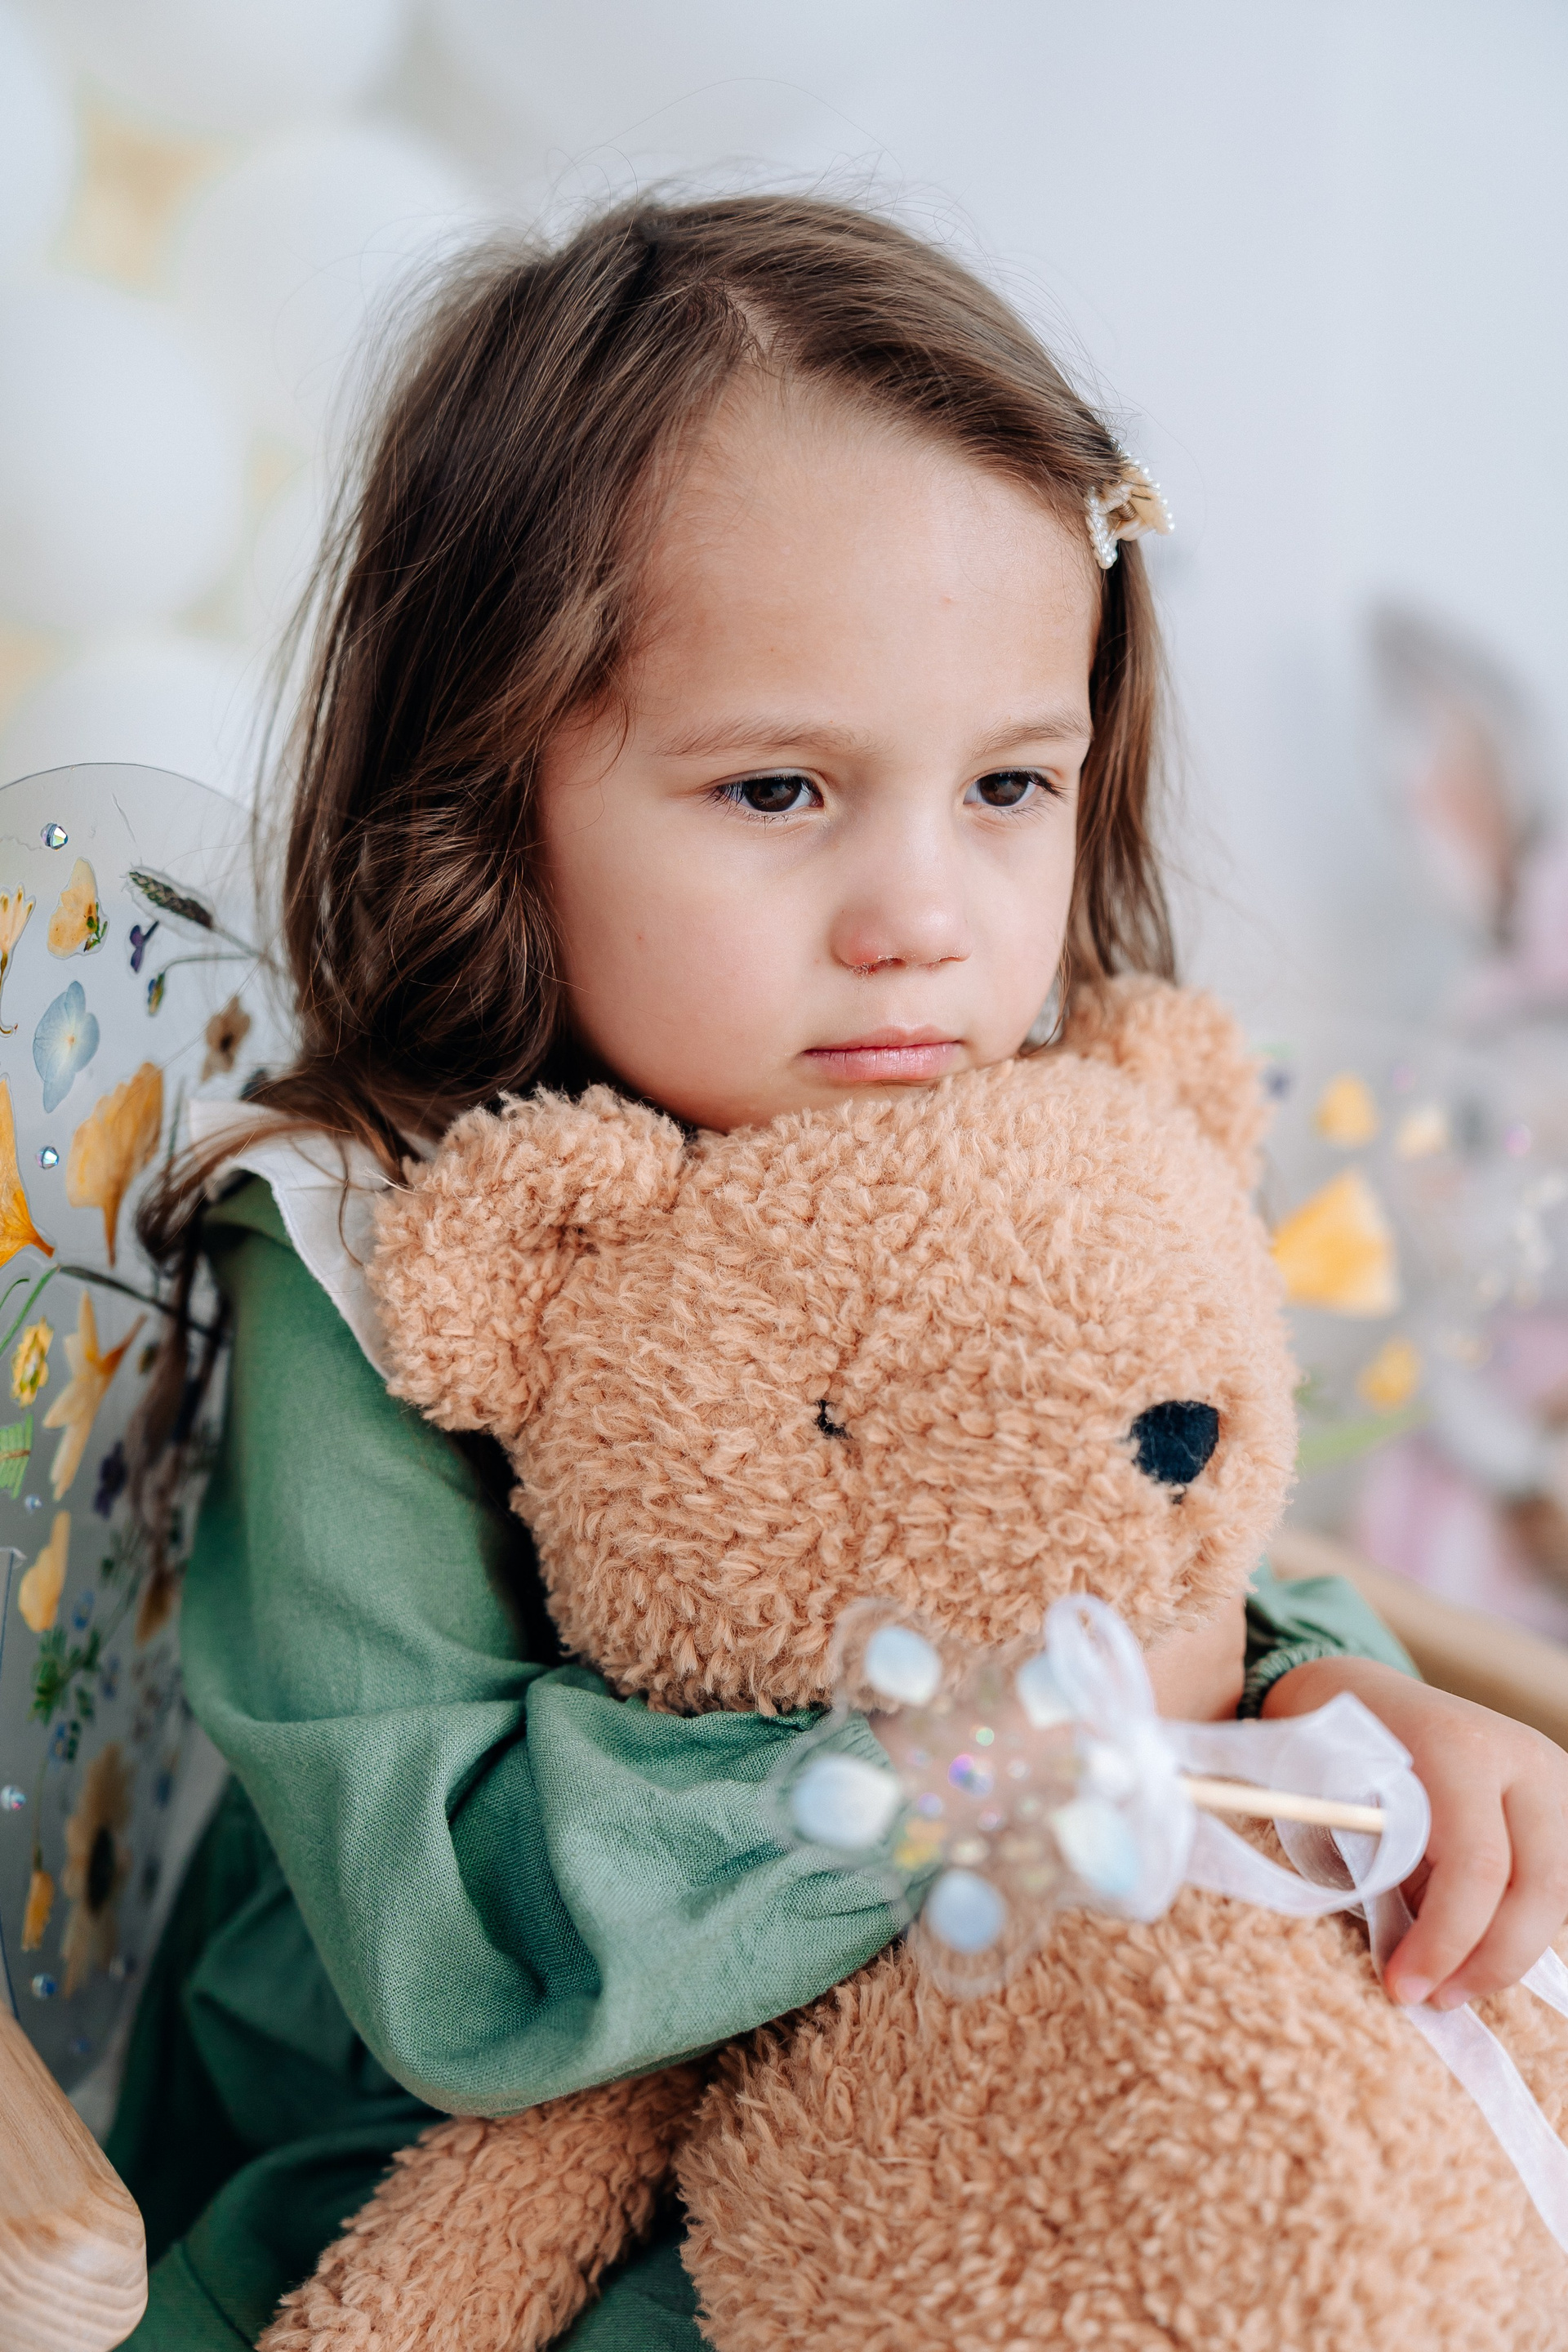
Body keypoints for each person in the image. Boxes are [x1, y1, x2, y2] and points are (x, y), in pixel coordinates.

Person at [109, 194, 1568, 2350]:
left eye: (1009, 784)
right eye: (780, 786)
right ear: (488, 798)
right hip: (504, 2187)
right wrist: (1014, 1759)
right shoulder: (375, 1245)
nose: (923, 918)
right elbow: (455, 1938)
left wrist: (1316, 1697)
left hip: (993, 2078)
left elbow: (1151, 1544)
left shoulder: (1044, 1142)